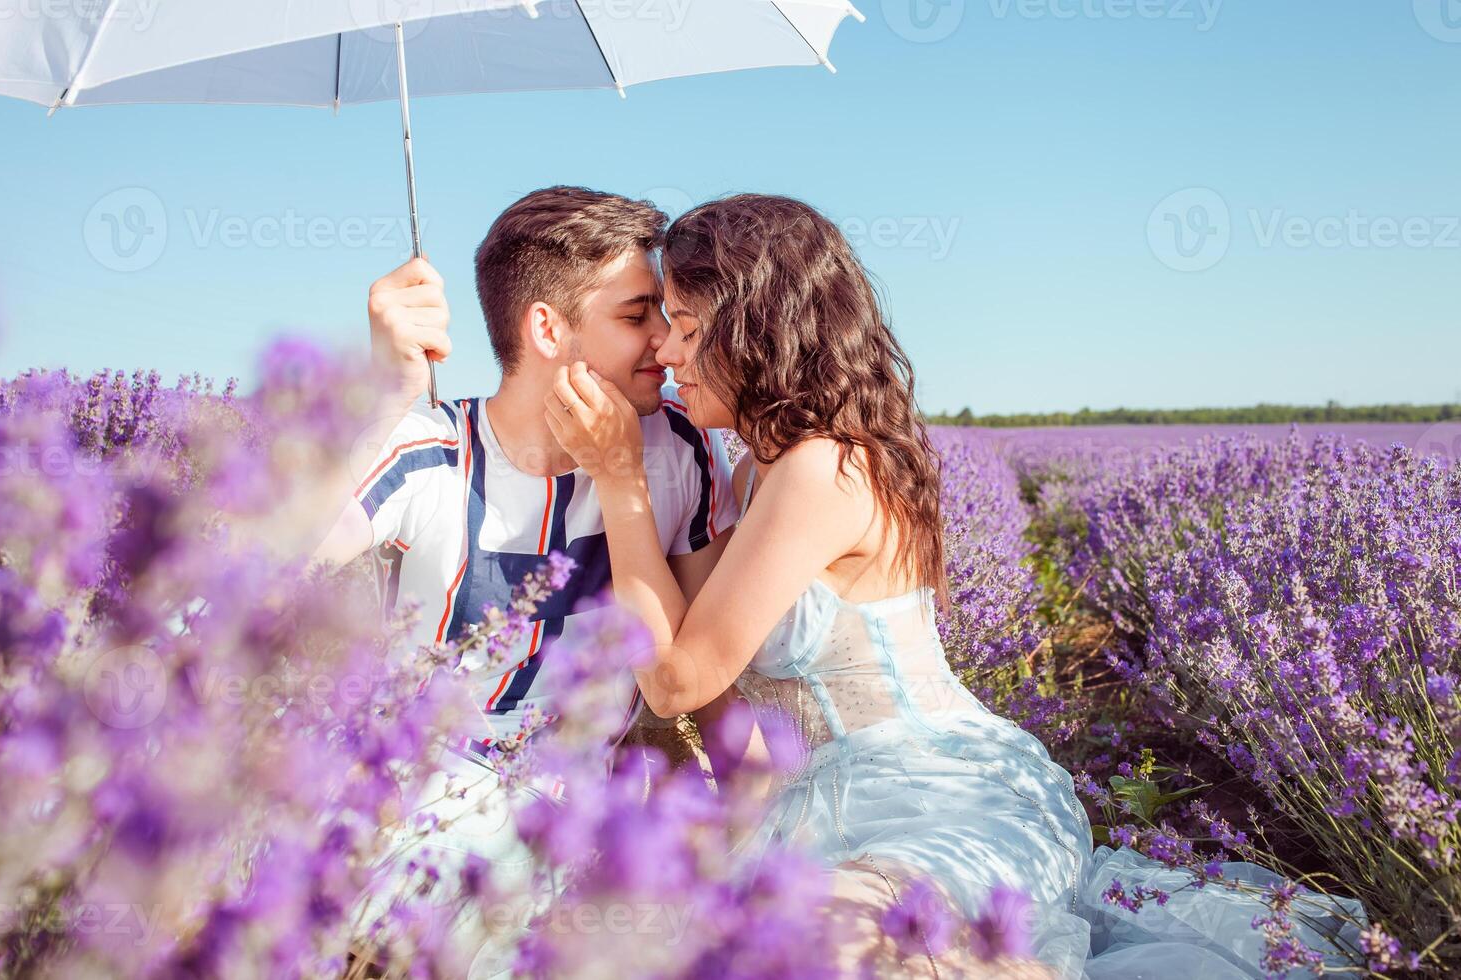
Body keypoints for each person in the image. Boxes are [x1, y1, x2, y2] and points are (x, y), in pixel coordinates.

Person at [543, 193, 1366, 979]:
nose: (666, 351)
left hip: (943, 799)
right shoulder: (757, 470)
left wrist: (619, 474)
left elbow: (680, 675)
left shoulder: (823, 468)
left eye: (686, 328)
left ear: (755, 328)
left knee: (834, 947)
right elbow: (681, 641)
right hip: (827, 814)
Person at [315, 186, 740, 977]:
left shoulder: (677, 448)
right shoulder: (431, 451)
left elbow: (706, 671)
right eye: (635, 314)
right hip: (422, 814)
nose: (668, 341)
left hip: (584, 815)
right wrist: (377, 399)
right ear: (546, 327)